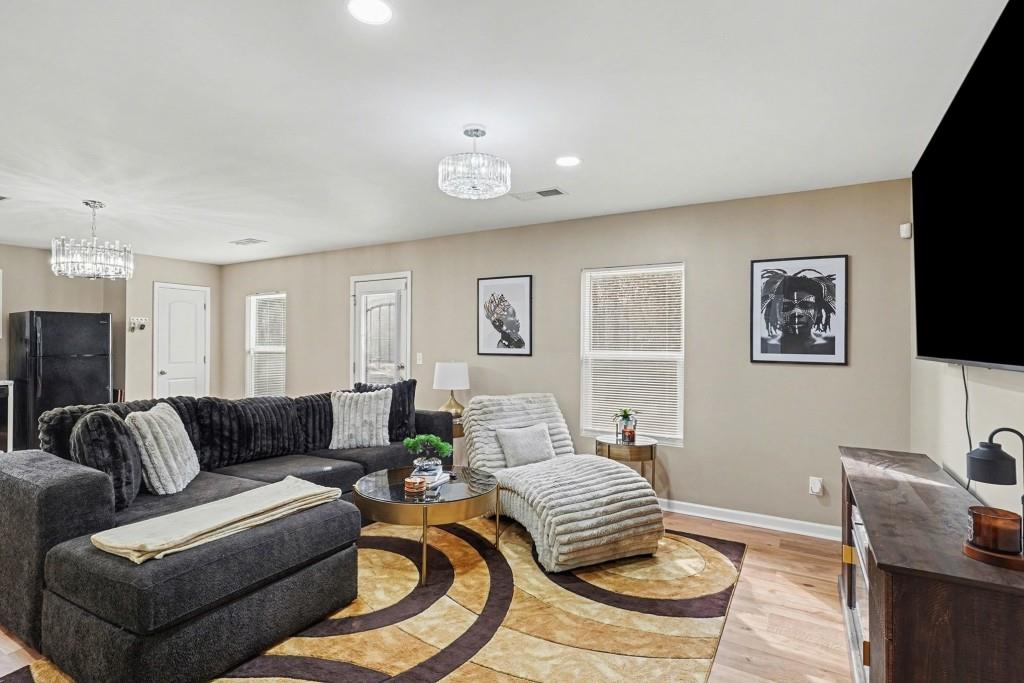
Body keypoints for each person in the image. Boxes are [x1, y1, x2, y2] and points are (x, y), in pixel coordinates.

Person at [760, 268, 836, 355]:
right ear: (775, 312)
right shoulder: (763, 346)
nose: (796, 312)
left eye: (806, 305)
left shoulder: (833, 346)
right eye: (786, 306)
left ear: (818, 312)